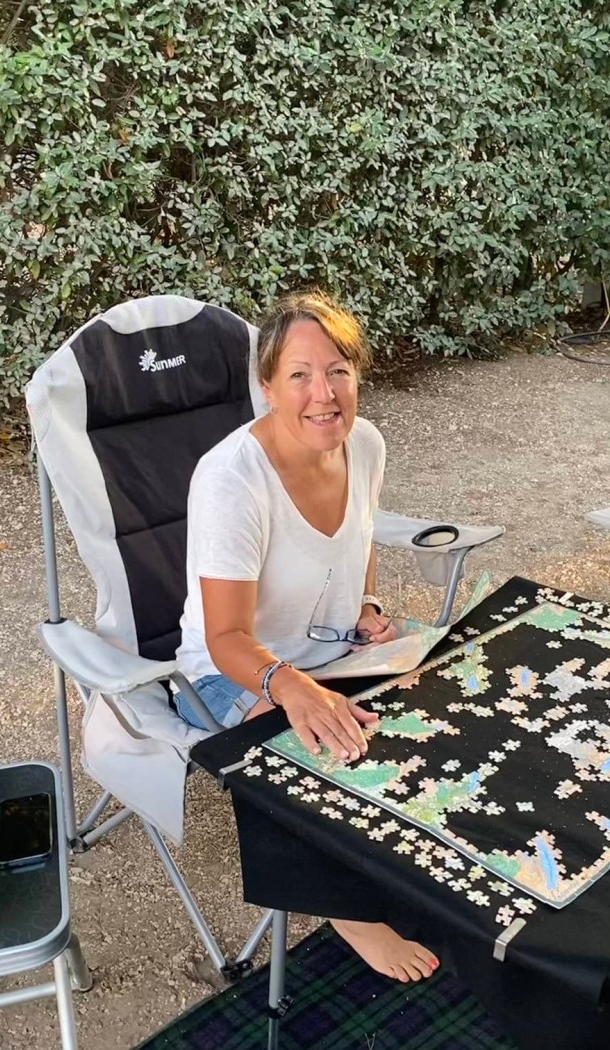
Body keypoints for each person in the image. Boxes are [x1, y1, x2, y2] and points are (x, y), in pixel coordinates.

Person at [174, 290, 440, 984]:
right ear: (267, 387)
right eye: (299, 375)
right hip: (230, 672)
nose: (323, 394)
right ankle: (348, 912)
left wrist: (368, 607)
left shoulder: (366, 443)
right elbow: (224, 635)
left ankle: (423, 867)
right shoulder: (232, 480)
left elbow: (358, 540)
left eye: (338, 371)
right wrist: (293, 688)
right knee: (313, 750)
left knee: (446, 701)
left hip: (335, 650)